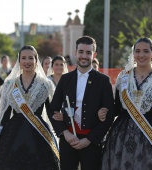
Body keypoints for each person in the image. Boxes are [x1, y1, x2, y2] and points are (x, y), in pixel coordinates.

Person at [48, 36, 115, 170]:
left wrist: (89, 139)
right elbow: (52, 109)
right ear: (75, 53)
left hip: (92, 143)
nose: (84, 56)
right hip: (68, 141)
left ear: (94, 55)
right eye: (81, 52)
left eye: (88, 52)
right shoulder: (65, 79)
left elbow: (109, 116)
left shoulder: (103, 81)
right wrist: (65, 134)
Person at [0, 45, 60, 170]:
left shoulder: (45, 84)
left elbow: (51, 113)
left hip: (38, 133)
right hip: (13, 134)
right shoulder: (10, 85)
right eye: (24, 58)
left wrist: (63, 132)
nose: (27, 61)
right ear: (19, 61)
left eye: (30, 58)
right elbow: (4, 116)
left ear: (36, 60)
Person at [99, 37, 152, 170]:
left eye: (145, 51)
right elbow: (116, 108)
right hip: (122, 137)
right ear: (133, 54)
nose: (141, 55)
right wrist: (103, 111)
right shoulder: (124, 77)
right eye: (137, 51)